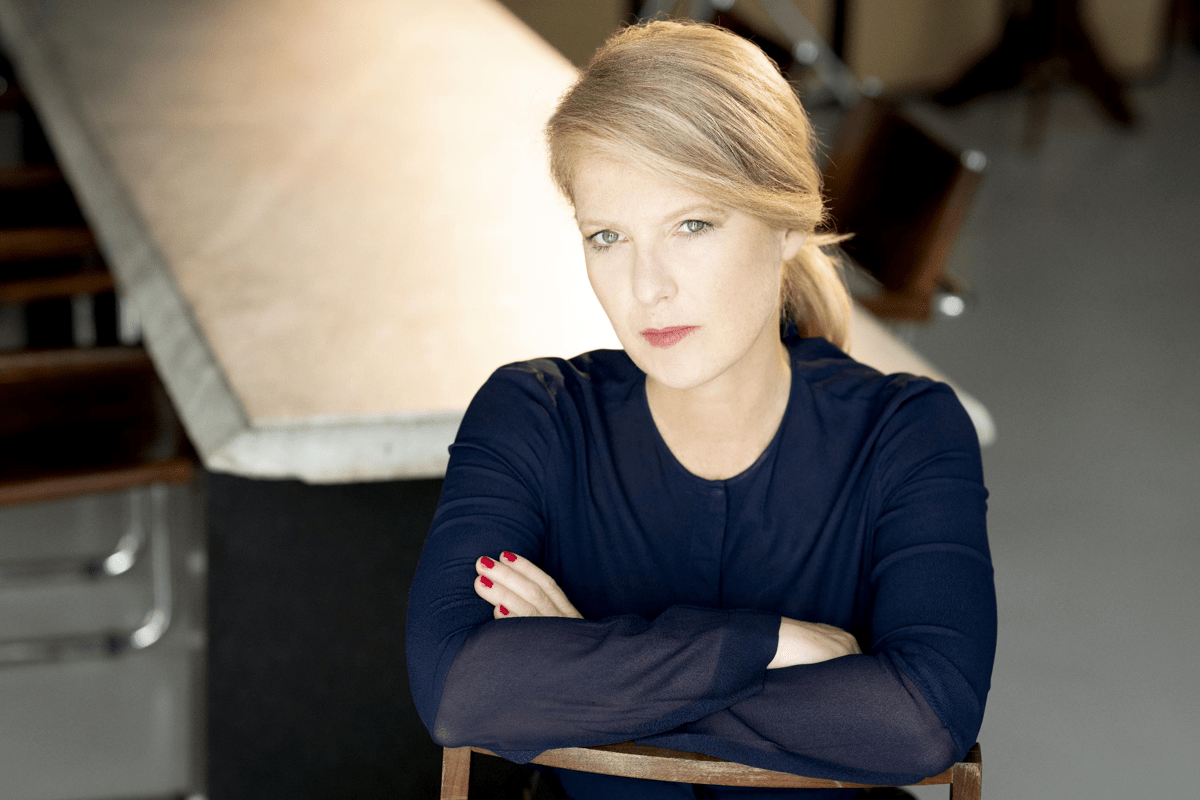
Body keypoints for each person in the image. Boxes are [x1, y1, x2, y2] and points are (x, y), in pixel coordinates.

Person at [406, 19, 996, 800]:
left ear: (788, 222)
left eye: (692, 225)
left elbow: (919, 724)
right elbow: (458, 691)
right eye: (608, 236)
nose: (648, 287)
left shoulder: (909, 434)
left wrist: (588, 670)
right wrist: (770, 644)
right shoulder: (533, 415)